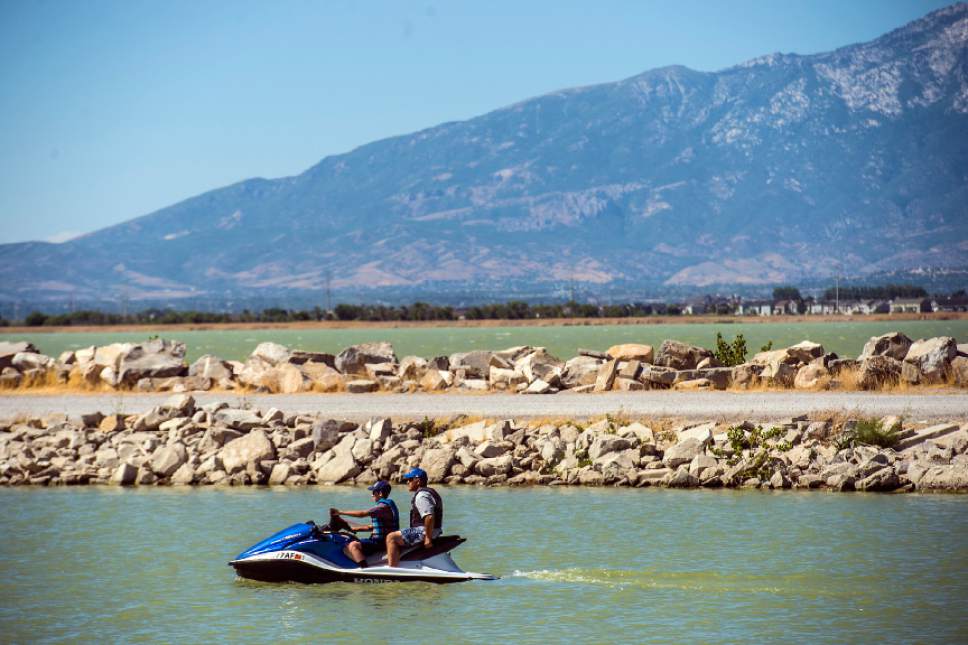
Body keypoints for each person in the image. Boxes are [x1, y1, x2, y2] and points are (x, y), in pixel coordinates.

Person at [332, 480, 399, 568]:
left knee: (352, 545)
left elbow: (362, 514)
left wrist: (340, 512)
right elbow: (376, 527)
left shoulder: (382, 507)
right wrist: (355, 529)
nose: (371, 495)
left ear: (380, 493)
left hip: (380, 543)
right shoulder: (386, 506)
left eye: (373, 492)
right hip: (380, 541)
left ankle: (364, 569)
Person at [385, 467, 443, 567]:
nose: (407, 482)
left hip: (424, 531)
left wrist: (428, 538)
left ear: (418, 481)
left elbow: (429, 517)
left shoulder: (421, 496)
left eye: (410, 479)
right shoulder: (430, 492)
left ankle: (393, 570)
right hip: (434, 530)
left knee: (391, 537)